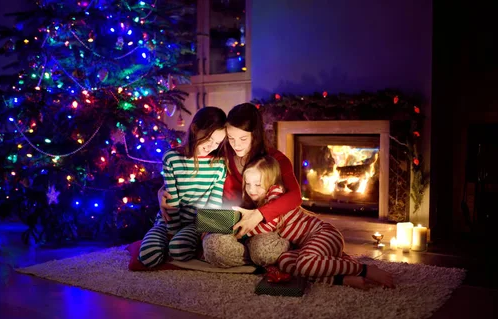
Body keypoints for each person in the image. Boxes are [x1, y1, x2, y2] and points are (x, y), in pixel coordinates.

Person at [158, 102, 302, 267]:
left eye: (243, 138)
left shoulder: (276, 159)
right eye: (231, 138)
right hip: (227, 224)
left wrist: (259, 214)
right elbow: (184, 165)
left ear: (255, 135)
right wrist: (162, 192)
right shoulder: (222, 152)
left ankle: (263, 253)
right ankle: (250, 258)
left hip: (263, 226)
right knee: (214, 248)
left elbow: (295, 196)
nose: (237, 145)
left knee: (264, 253)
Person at [242, 155, 395, 290]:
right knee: (284, 262)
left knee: (305, 264)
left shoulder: (275, 193)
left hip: (325, 234)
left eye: (257, 184)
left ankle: (364, 269)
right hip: (310, 245)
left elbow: (268, 226)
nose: (251, 189)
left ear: (271, 182)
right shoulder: (261, 201)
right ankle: (342, 278)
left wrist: (241, 231)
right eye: (248, 184)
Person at [138, 106, 227, 268]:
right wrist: (171, 232)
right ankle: (165, 243)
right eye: (208, 139)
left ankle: (178, 246)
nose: (212, 146)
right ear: (194, 129)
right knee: (148, 256)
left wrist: (206, 232)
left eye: (217, 142)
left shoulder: (218, 164)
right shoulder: (172, 158)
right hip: (168, 222)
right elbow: (172, 199)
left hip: (195, 224)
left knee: (178, 250)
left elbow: (214, 202)